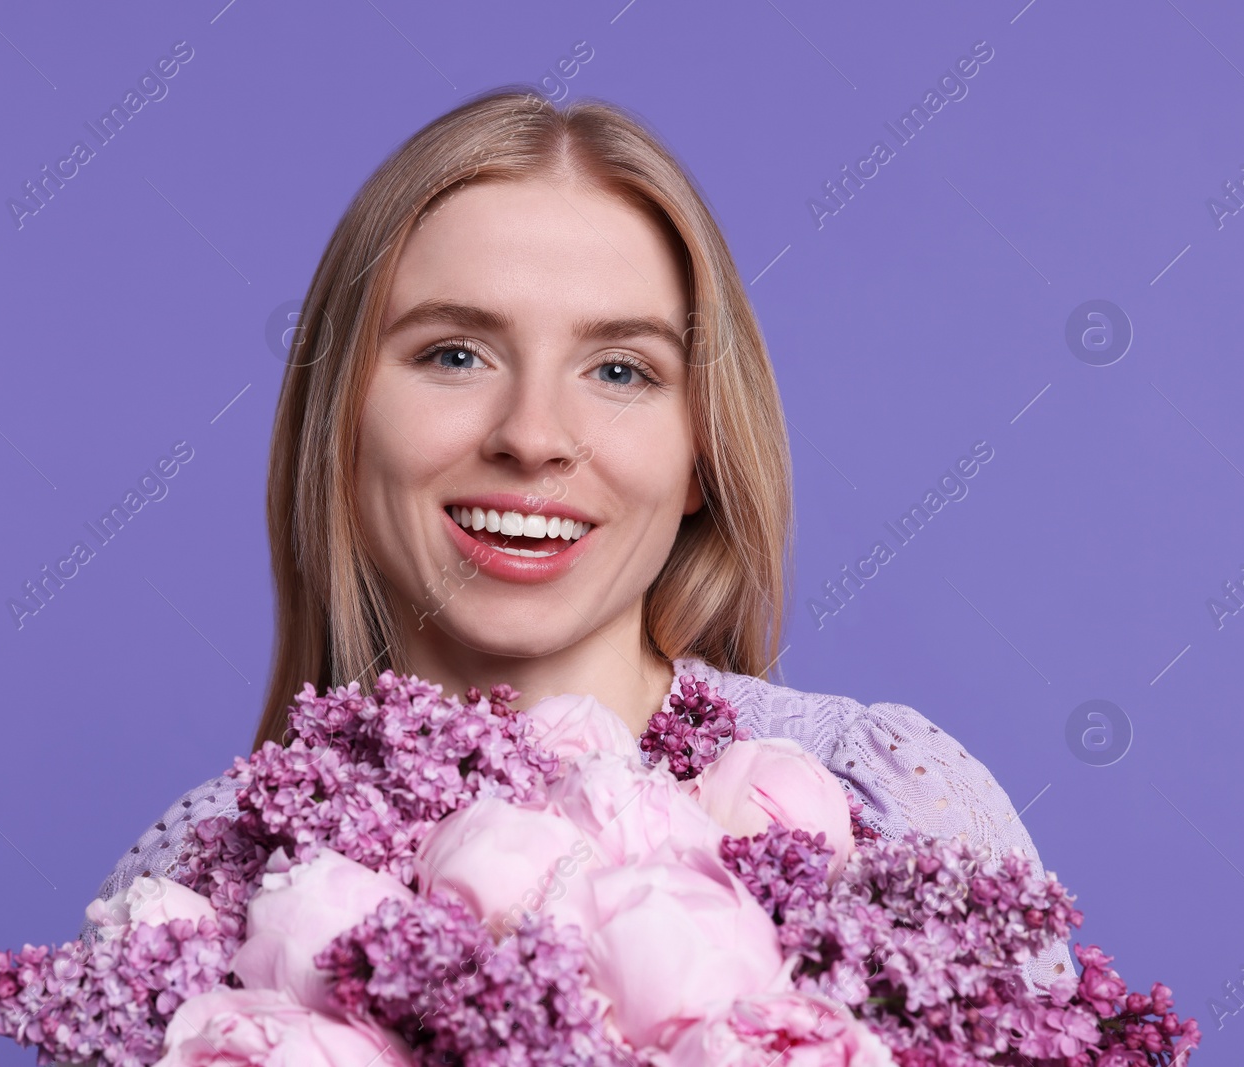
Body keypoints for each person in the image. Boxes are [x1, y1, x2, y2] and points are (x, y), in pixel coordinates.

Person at [82, 87, 1074, 988]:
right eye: (454, 353)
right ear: (340, 423)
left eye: (619, 370)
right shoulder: (197, 881)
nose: (532, 435)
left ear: (700, 452)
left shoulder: (890, 804)